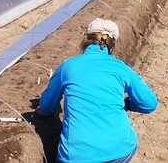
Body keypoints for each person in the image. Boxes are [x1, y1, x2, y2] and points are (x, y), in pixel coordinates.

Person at [36, 18, 158, 163]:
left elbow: (46, 107)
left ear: (85, 39)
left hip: (76, 157)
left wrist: (44, 111)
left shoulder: (67, 66)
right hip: (120, 150)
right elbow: (149, 104)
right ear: (112, 46)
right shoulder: (120, 67)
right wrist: (128, 104)